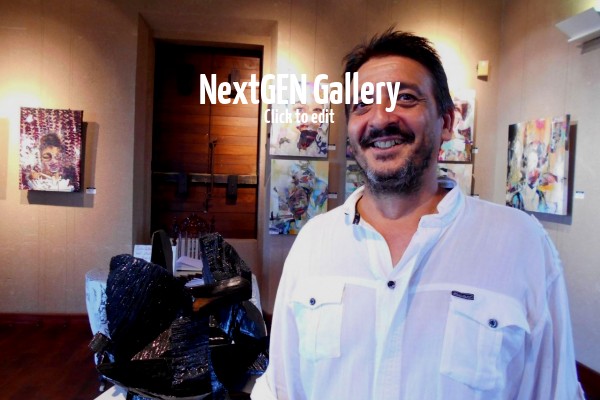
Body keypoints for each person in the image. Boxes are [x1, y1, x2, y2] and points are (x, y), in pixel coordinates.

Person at [252, 29, 584, 399]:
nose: (380, 119)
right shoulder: (314, 242)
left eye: (405, 97)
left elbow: (553, 391)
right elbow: (281, 389)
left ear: (447, 122)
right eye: (362, 105)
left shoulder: (520, 243)